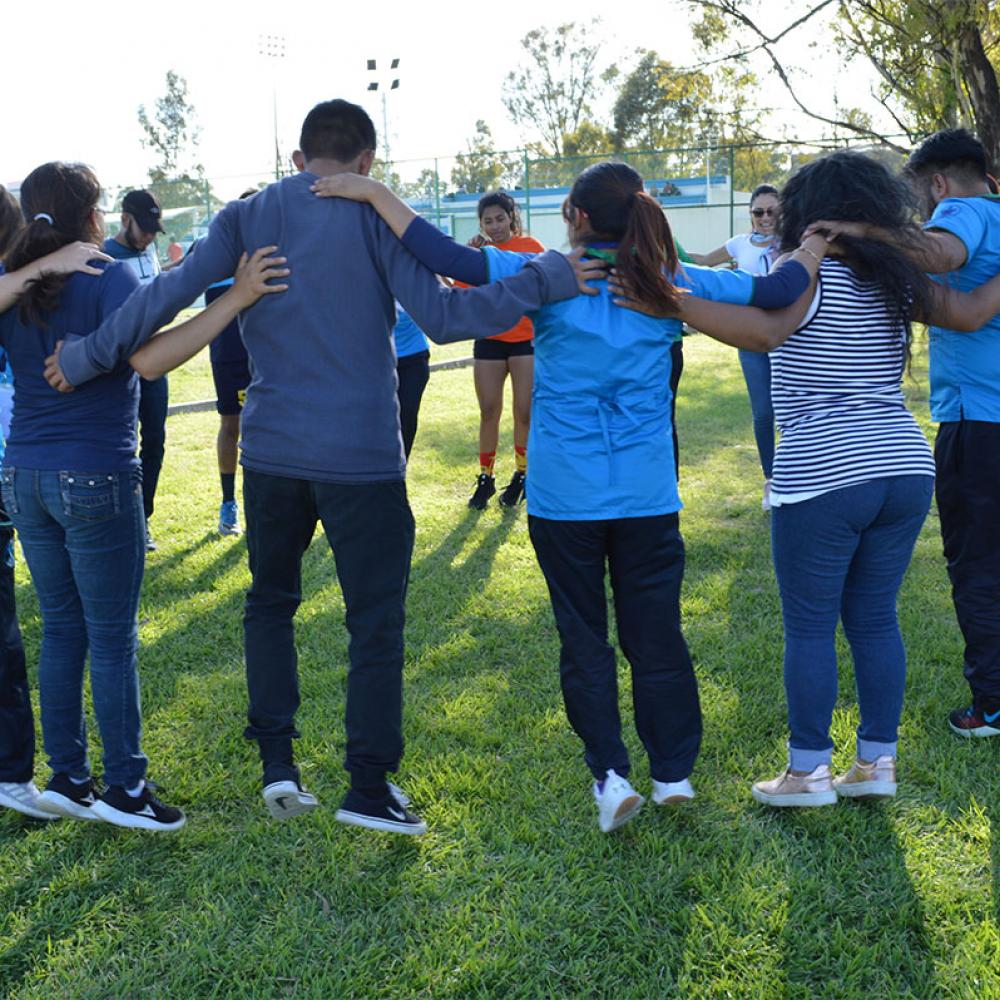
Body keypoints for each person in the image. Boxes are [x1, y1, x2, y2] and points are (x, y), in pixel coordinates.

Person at [42, 100, 599, 836]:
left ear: (303, 156)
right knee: (374, 624)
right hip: (360, 458)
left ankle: (278, 764)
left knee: (271, 604)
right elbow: (449, 317)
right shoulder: (373, 212)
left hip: (270, 453)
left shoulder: (248, 216)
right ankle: (367, 788)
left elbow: (165, 294)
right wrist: (547, 277)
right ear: (367, 162)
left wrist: (82, 357)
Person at [311, 161, 825, 832]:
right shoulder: (669, 278)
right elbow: (777, 286)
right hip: (646, 494)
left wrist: (376, 192)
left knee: (584, 639)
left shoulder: (551, 275)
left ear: (577, 218)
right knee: (657, 634)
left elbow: (447, 257)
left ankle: (612, 779)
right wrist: (815, 243)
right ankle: (672, 774)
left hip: (565, 500)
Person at [618, 151, 1000, 807]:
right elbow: (967, 314)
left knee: (810, 626)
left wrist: (671, 304)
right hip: (902, 466)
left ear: (804, 212)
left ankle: (806, 774)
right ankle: (877, 765)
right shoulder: (894, 282)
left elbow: (765, 332)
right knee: (877, 619)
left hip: (823, 473)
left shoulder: (802, 271)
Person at [1, 162, 285, 831]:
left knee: (63, 631)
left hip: (25, 477)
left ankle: (69, 777)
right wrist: (234, 299)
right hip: (95, 473)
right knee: (111, 639)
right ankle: (126, 788)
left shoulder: (16, 284)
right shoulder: (107, 272)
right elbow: (150, 360)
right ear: (92, 215)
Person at [809, 129, 1000, 739]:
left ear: (938, 184)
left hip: (980, 426)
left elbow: (940, 256)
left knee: (978, 565)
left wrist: (855, 232)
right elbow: (963, 307)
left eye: (921, 196)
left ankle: (991, 705)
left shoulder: (963, 211)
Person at [0, 186, 113, 821]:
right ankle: (101, 782)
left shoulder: (22, 283)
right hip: (64, 472)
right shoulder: (30, 277)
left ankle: (47, 774)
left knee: (46, 631)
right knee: (93, 636)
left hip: (22, 473)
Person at [692, 184, 780, 508]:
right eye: (759, 212)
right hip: (751, 338)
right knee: (762, 412)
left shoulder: (795, 244)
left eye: (773, 211)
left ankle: (800, 476)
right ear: (751, 215)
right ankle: (771, 481)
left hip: (789, 339)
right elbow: (702, 262)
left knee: (793, 409)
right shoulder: (740, 244)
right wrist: (666, 249)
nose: (766, 217)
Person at [463, 192, 544, 510]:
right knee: (488, 411)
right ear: (480, 224)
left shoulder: (532, 248)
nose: (494, 226)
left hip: (525, 340)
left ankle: (522, 476)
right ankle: (486, 478)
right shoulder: (480, 253)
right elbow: (461, 293)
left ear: (512, 217)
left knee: (523, 411)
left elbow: (544, 289)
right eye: (487, 221)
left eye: (500, 218)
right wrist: (469, 258)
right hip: (490, 340)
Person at [103, 189, 168, 550]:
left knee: (155, 441)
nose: (148, 236)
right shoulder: (105, 257)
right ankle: (120, 523)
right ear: (124, 219)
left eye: (154, 229)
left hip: (156, 367)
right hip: (120, 370)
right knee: (121, 448)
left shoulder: (151, 250)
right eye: (143, 228)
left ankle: (142, 519)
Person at [204, 189, 259, 536]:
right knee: (233, 425)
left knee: (271, 430)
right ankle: (229, 504)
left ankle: (263, 504)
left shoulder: (275, 251)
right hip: (231, 358)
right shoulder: (216, 254)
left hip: (271, 360)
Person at [393, 304, 430, 459]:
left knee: (406, 417)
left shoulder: (414, 279)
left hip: (413, 355)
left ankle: (400, 471)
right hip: (376, 356)